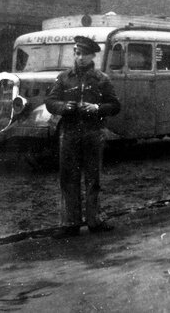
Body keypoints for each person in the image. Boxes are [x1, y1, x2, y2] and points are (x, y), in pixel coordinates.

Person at [45, 36, 121, 238]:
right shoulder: (64, 78)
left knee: (92, 177)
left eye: (83, 54)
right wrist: (63, 107)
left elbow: (115, 106)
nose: (78, 58)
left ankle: (95, 220)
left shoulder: (101, 79)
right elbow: (50, 101)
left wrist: (97, 108)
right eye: (76, 53)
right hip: (69, 133)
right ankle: (70, 223)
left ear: (91, 56)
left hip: (92, 133)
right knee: (68, 177)